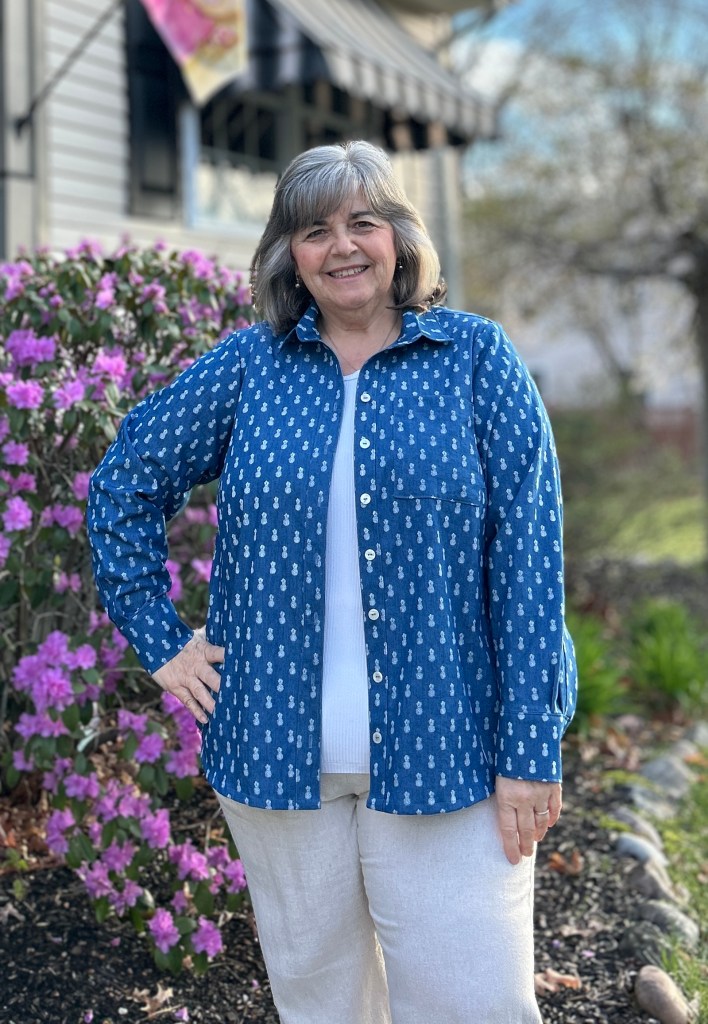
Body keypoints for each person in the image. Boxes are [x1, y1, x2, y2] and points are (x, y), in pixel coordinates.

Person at [88, 139, 577, 1024]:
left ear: (400, 237)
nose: (342, 246)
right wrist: (161, 641)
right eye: (315, 230)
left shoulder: (477, 359)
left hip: (451, 752)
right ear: (290, 253)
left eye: (363, 222)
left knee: (476, 1007)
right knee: (323, 1008)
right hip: (273, 755)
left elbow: (530, 563)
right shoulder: (249, 366)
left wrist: (530, 751)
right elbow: (123, 481)